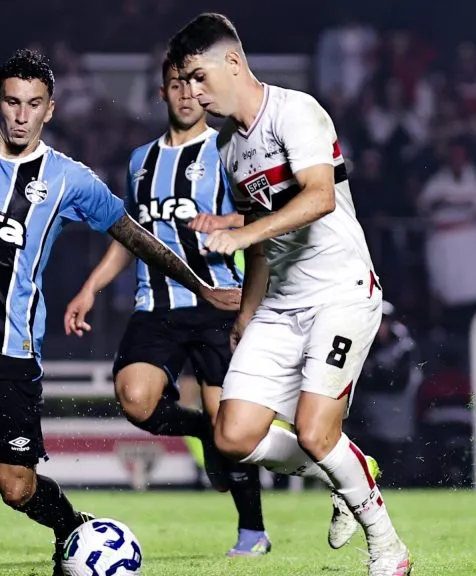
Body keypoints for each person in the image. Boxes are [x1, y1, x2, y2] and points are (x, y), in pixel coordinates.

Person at [0, 10, 239, 575]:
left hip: (6, 359)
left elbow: (137, 237)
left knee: (16, 488)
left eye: (33, 104)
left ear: (50, 109)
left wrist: (201, 285)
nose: (21, 115)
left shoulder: (71, 179)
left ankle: (73, 530)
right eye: (12, 102)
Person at [167, 13, 411, 575]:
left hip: (340, 293)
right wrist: (248, 311)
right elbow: (261, 243)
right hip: (282, 303)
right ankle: (350, 470)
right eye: (184, 83)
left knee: (314, 430)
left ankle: (387, 547)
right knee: (231, 437)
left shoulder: (295, 110)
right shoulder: (227, 145)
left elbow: (319, 196)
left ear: (233, 62)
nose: (194, 93)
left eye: (200, 77)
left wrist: (238, 232)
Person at [62, 54, 269, 556]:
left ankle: (252, 532)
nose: (184, 92)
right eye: (174, 84)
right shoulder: (141, 160)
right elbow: (131, 235)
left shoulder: (226, 148)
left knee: (233, 432)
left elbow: (262, 218)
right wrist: (90, 287)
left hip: (218, 303)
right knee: (136, 399)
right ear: (162, 93)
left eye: (193, 83)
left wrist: (224, 224)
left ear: (204, 92)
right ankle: (198, 427)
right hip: (155, 306)